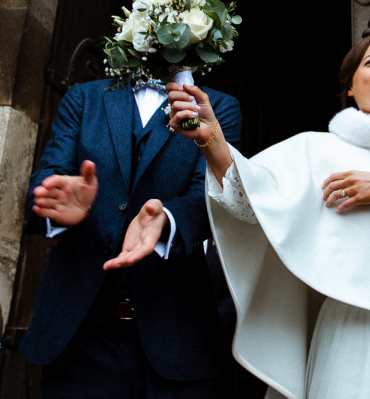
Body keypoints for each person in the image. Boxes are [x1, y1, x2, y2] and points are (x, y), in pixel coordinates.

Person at [129, 32, 370, 398]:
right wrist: (213, 142)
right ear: (350, 87)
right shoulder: (314, 149)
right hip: (350, 332)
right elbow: (250, 198)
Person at [18, 75, 241, 399]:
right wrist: (54, 201)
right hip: (78, 337)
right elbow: (47, 175)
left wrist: (167, 220)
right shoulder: (84, 96)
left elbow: (214, 199)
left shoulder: (218, 107)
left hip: (177, 340)